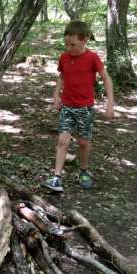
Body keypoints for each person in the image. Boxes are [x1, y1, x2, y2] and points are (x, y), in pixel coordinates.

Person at [42, 20, 114, 192]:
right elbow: (62, 76)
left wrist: (110, 103)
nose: (68, 48)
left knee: (83, 142)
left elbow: (106, 78)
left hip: (85, 108)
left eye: (72, 44)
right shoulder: (64, 57)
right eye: (66, 44)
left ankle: (83, 171)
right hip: (67, 106)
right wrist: (55, 94)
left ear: (85, 39)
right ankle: (57, 178)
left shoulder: (92, 58)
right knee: (62, 140)